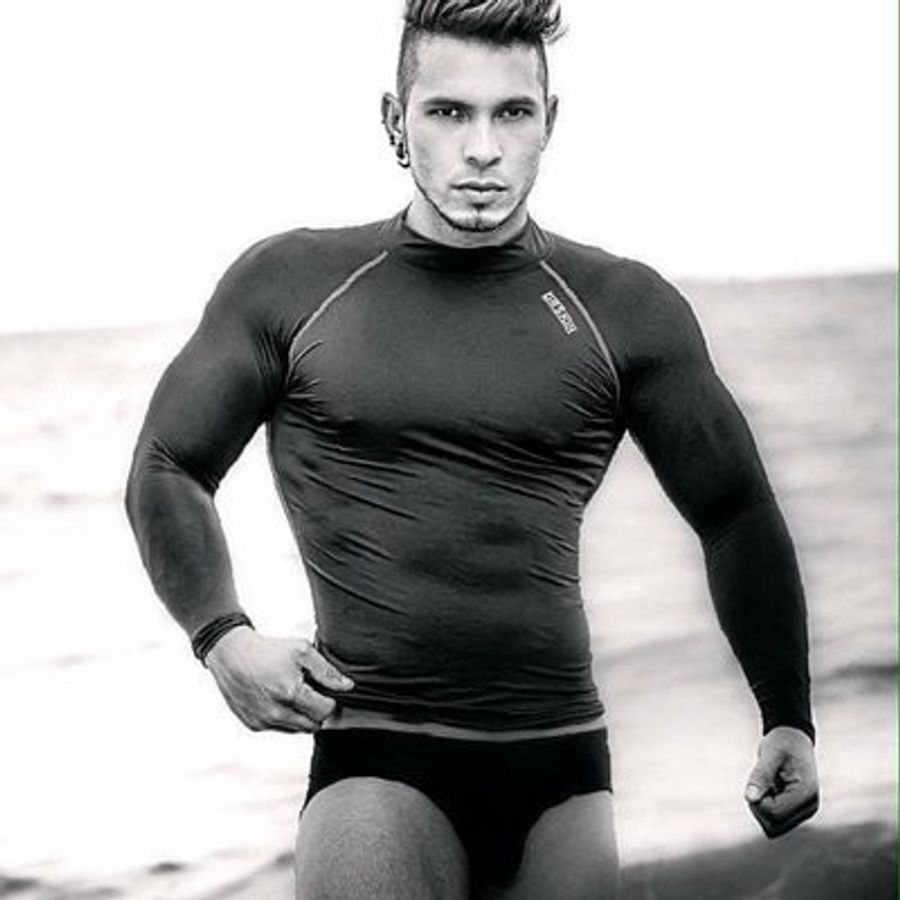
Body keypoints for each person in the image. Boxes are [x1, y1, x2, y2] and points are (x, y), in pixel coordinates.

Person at [125, 1, 819, 897]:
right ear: (395, 121)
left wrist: (786, 715)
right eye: (449, 112)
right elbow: (168, 464)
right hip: (379, 749)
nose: (482, 148)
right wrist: (223, 637)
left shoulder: (625, 308)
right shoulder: (290, 285)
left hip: (565, 761)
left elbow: (734, 511)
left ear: (549, 122)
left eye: (511, 113)